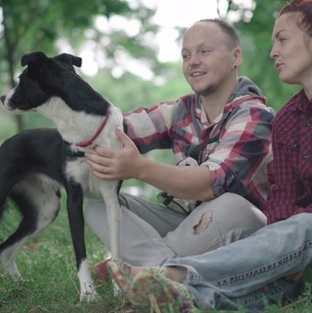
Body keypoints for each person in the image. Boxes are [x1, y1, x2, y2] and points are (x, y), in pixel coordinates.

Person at [105, 0, 312, 313]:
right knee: (276, 277)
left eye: (282, 40)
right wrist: (285, 248)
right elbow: (283, 197)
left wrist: (290, 242)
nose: (273, 52)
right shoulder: (288, 118)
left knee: (304, 229)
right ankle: (188, 301)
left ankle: (175, 273)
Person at [84, 18, 274, 273]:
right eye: (186, 55)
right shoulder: (181, 111)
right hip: (190, 225)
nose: (193, 61)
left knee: (232, 205)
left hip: (242, 228)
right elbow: (118, 129)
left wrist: (139, 168)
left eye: (204, 51)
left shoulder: (253, 114)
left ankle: (140, 265)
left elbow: (211, 185)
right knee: (98, 201)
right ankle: (162, 272)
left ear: (235, 57)